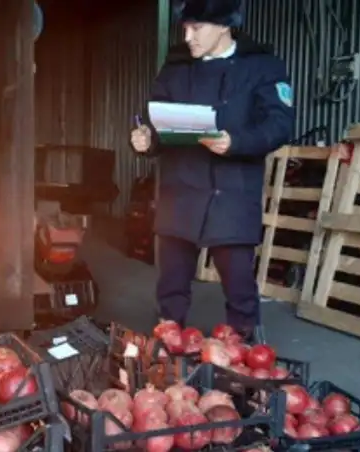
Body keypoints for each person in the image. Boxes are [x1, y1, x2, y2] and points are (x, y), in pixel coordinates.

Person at [129, 0, 295, 341]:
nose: (188, 37)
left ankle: (244, 354)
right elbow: (156, 121)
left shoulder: (262, 67)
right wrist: (146, 140)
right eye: (185, 28)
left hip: (232, 193)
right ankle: (167, 346)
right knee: (171, 287)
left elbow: (279, 125)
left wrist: (237, 141)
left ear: (224, 25)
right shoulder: (176, 68)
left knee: (239, 288)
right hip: (180, 191)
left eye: (197, 28)